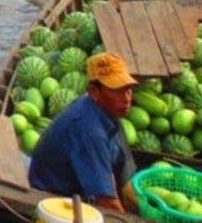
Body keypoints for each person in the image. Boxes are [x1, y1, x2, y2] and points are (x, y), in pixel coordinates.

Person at [29, 53, 140, 214]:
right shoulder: (90, 131)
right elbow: (106, 203)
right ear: (94, 91)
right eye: (117, 91)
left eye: (128, 90)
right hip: (56, 198)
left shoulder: (103, 111)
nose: (126, 98)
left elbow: (113, 169)